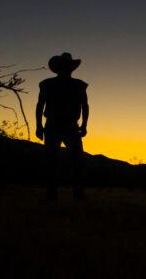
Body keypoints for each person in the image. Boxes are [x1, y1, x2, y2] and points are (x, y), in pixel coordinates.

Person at [36, 52, 89, 200]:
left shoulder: (48, 84)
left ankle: (73, 195)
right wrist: (39, 126)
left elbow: (85, 106)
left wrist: (84, 125)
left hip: (63, 125)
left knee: (73, 160)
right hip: (59, 125)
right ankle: (58, 196)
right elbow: (40, 105)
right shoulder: (77, 85)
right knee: (59, 160)